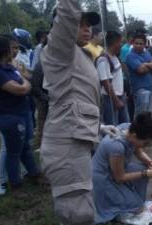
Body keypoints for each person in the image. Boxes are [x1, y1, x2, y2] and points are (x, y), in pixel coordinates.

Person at [40, 1, 103, 224]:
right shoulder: (60, 50)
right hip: (66, 147)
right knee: (77, 213)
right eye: (81, 24)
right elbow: (67, 14)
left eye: (89, 26)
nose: (88, 29)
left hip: (74, 140)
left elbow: (78, 99)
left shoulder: (79, 54)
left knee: (80, 209)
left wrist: (100, 127)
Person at [0, 35, 40, 192]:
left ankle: (35, 175)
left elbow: (27, 77)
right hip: (10, 116)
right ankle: (15, 184)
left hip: (22, 112)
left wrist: (24, 81)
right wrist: (26, 84)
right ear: (3, 50)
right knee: (13, 152)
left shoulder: (9, 67)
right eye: (11, 47)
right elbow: (20, 89)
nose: (14, 51)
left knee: (26, 147)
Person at [93, 112, 152, 224]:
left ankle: (128, 199)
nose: (146, 145)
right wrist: (146, 173)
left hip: (117, 170)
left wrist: (151, 163)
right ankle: (117, 206)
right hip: (104, 178)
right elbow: (119, 178)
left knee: (144, 167)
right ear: (135, 136)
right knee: (137, 206)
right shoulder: (117, 146)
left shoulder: (128, 127)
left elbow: (138, 151)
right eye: (145, 142)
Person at [96, 30, 129, 125]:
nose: (122, 45)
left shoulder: (114, 57)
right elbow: (106, 83)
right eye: (120, 42)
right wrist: (116, 101)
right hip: (110, 100)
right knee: (113, 127)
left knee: (125, 125)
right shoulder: (103, 60)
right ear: (115, 43)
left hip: (120, 96)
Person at [125, 33, 152, 117]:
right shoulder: (130, 56)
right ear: (133, 43)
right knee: (140, 115)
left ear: (144, 44)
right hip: (140, 89)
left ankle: (145, 130)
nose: (138, 45)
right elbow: (140, 70)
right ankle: (138, 130)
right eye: (136, 43)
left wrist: (145, 64)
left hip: (150, 87)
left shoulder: (146, 53)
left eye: (141, 44)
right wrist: (149, 65)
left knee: (147, 114)